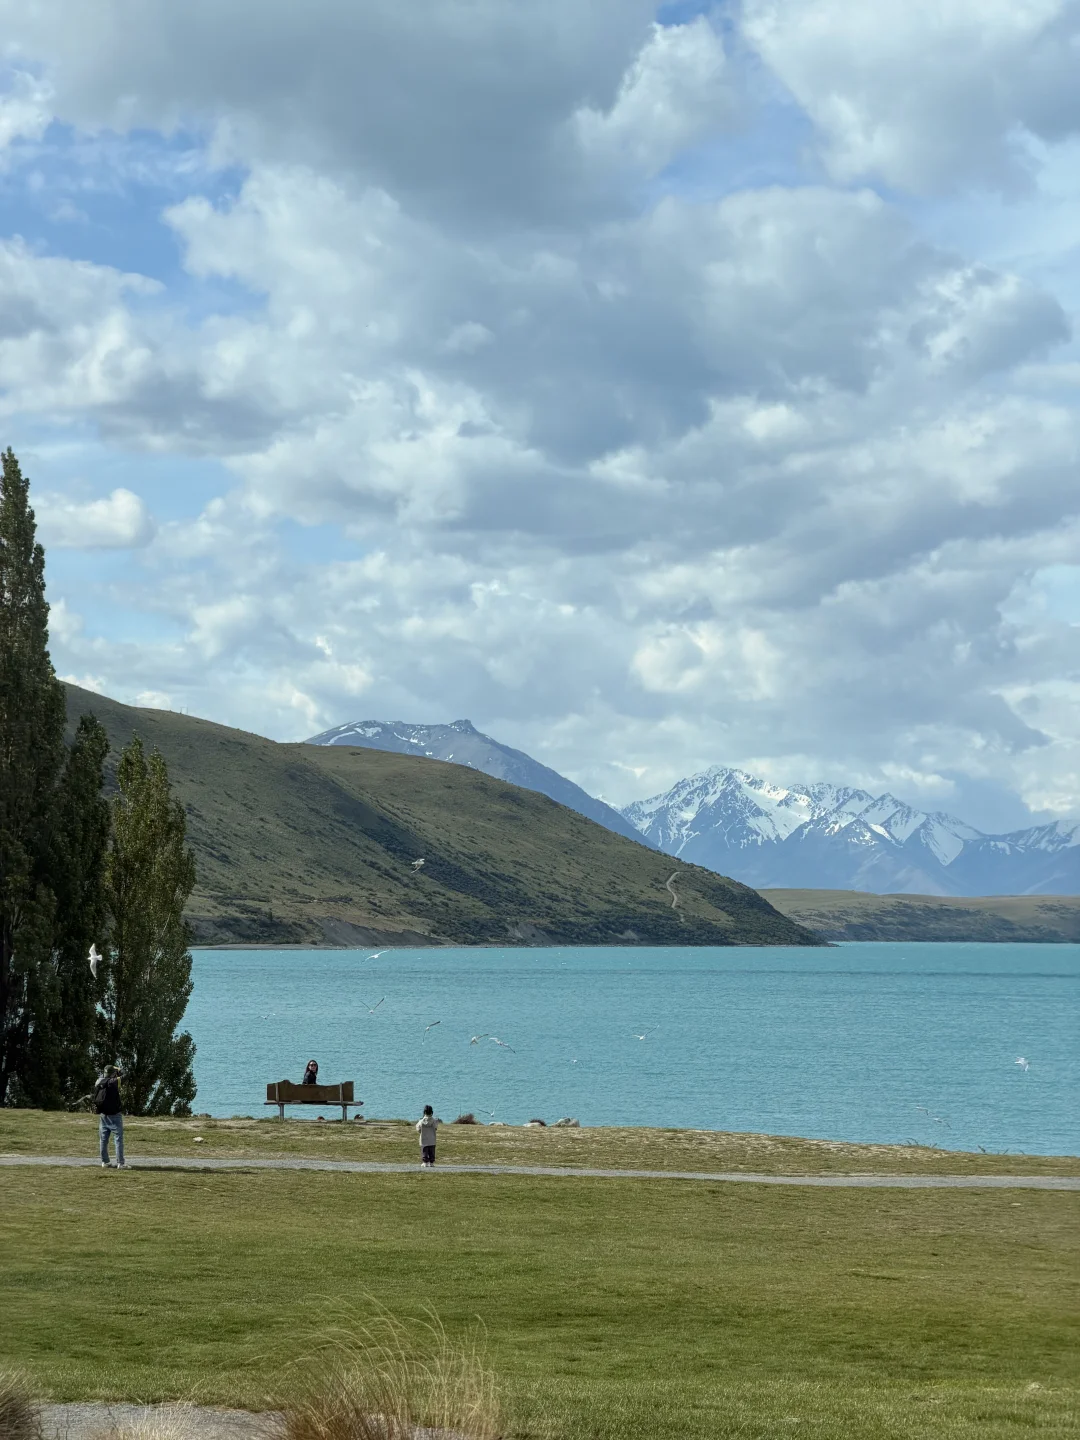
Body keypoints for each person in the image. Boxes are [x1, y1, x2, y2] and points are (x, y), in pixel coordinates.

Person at [94, 1064, 125, 1169]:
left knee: (103, 1140)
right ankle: (120, 1163)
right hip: (114, 1115)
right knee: (118, 1139)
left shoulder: (99, 1081)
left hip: (103, 1114)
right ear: (112, 1073)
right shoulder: (114, 1082)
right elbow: (126, 1075)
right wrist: (119, 1069)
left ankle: (105, 1162)